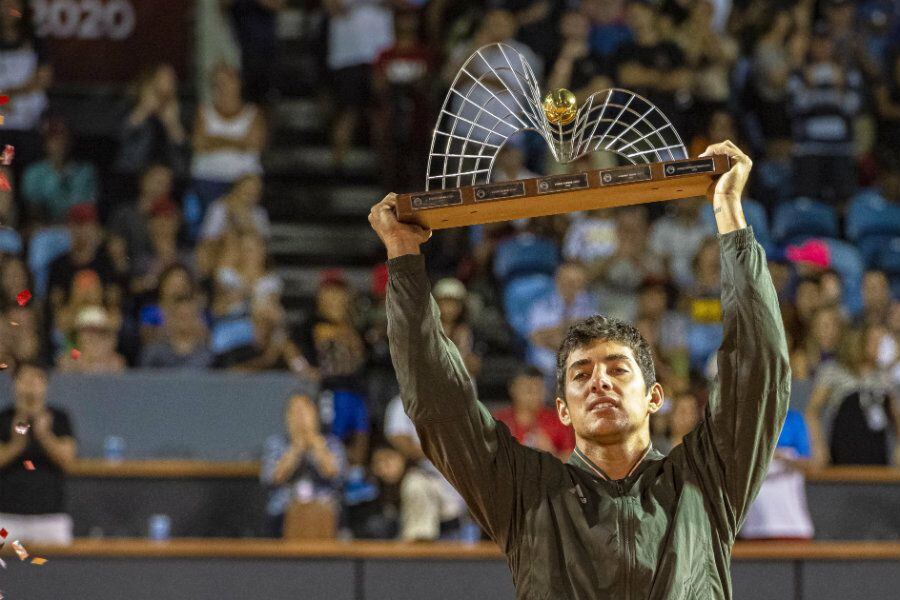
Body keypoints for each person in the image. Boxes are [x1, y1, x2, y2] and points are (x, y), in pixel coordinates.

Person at [368, 140, 790, 598]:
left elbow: (759, 368)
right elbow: (440, 405)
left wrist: (729, 212)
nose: (599, 381)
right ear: (563, 409)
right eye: (581, 374)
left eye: (618, 369)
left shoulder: (705, 480)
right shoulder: (526, 492)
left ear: (654, 396)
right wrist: (404, 260)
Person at [0, 361, 77, 544]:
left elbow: (67, 460)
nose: (30, 386)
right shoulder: (4, 419)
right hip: (8, 517)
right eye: (24, 380)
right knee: (8, 560)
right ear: (14, 384)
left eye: (36, 380)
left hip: (50, 517)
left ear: (46, 384)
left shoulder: (59, 418)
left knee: (54, 562)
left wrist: (44, 435)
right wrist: (16, 443)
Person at [260, 392, 344, 538]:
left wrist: (316, 446)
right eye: (294, 412)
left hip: (324, 511)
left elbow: (335, 474)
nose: (300, 418)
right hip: (282, 513)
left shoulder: (332, 444)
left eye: (304, 411)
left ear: (315, 414)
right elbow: (273, 478)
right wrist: (296, 449)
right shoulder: (275, 444)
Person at [740, 409, 815, 541]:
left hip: (792, 529)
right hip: (752, 529)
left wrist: (782, 458)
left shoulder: (793, 420)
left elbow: (810, 463)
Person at [22, 117, 98, 227]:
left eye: (62, 138)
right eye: (53, 139)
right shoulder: (33, 172)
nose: (59, 143)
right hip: (44, 227)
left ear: (70, 141)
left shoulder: (85, 171)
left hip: (77, 226)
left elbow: (86, 207)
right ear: (45, 142)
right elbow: (33, 210)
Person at [493, 367, 576, 461]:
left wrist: (551, 454)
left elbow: (572, 461)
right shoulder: (499, 421)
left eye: (539, 389)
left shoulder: (557, 421)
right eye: (528, 390)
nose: (534, 395)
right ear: (512, 389)